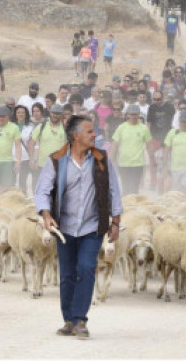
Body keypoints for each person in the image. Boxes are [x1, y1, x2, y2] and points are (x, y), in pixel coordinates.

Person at [35, 115, 122, 339]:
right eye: (89, 132)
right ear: (76, 136)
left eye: (94, 132)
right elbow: (43, 190)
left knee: (85, 268)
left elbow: (114, 190)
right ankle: (69, 320)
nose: (95, 135)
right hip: (64, 227)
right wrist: (46, 214)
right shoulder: (56, 160)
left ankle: (81, 319)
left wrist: (115, 221)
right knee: (67, 274)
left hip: (92, 226)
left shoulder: (102, 160)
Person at [108, 104, 152, 195]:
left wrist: (153, 160)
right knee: (126, 186)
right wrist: (110, 159)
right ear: (127, 115)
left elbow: (149, 146)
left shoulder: (144, 128)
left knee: (135, 187)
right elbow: (114, 145)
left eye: (135, 114)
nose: (133, 116)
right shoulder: (122, 127)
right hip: (124, 163)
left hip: (138, 163)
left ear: (139, 114)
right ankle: (126, 207)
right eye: (131, 114)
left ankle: (134, 207)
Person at [27, 104, 66, 192]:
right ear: (50, 113)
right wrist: (31, 159)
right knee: (38, 190)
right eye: (53, 113)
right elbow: (31, 143)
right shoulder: (42, 126)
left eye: (57, 113)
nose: (55, 115)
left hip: (58, 166)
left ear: (61, 115)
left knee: (55, 192)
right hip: (42, 165)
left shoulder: (65, 129)